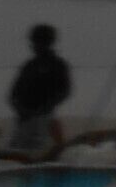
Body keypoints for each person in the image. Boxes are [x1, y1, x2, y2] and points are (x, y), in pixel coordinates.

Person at [7, 25, 70, 157]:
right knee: (15, 148)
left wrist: (44, 108)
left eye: (37, 42)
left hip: (43, 117)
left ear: (47, 43)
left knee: (38, 149)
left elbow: (64, 91)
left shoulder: (57, 65)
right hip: (23, 118)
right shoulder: (29, 65)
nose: (34, 46)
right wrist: (19, 108)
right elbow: (13, 93)